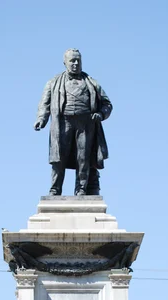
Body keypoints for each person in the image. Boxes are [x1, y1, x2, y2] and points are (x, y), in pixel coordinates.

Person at [34, 48, 112, 196]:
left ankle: (81, 189)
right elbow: (44, 103)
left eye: (78, 60)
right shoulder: (53, 82)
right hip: (63, 122)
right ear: (65, 63)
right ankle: (55, 188)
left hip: (85, 124)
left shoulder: (91, 82)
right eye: (72, 60)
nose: (75, 63)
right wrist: (41, 119)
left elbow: (107, 104)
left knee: (83, 157)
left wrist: (101, 114)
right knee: (59, 157)